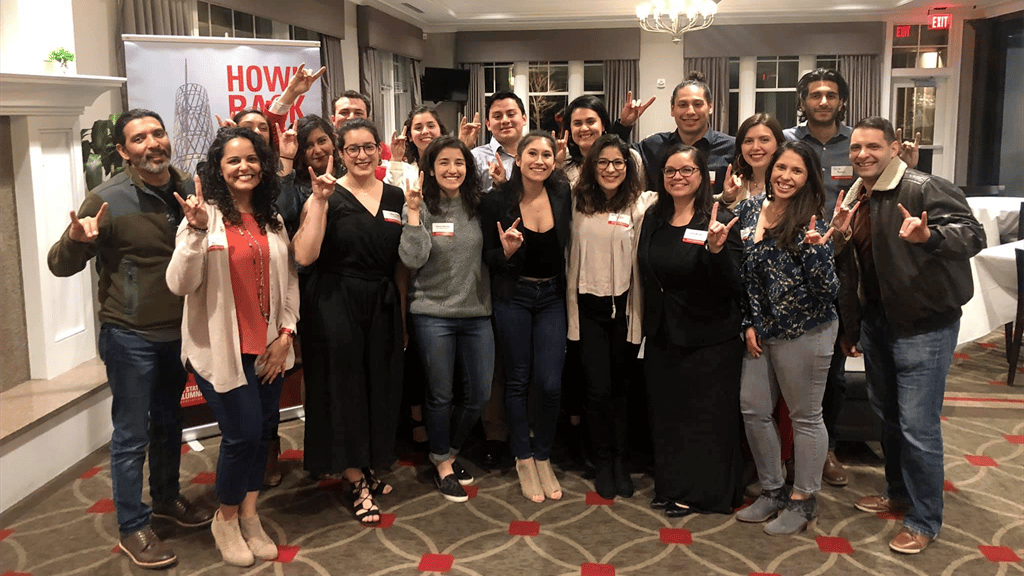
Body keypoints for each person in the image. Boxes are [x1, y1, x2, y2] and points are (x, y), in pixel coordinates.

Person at [47, 109, 213, 569]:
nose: (152, 143)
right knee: (131, 434)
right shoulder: (106, 198)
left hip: (179, 333)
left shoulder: (190, 187)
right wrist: (78, 240)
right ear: (122, 150)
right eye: (139, 139)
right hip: (130, 335)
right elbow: (59, 264)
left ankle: (166, 499)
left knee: (169, 423)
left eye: (158, 133)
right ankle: (132, 526)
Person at [838, 117, 984, 553]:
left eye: (873, 147)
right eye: (856, 147)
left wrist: (929, 237)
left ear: (894, 148)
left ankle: (924, 519)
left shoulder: (923, 187)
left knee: (918, 427)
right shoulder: (857, 194)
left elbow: (972, 235)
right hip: (878, 322)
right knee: (889, 419)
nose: (862, 154)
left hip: (924, 325)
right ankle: (898, 493)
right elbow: (860, 266)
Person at [165, 127, 298, 566]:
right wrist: (196, 232)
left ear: (263, 165)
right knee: (241, 435)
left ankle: (249, 514)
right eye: (233, 160)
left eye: (252, 158)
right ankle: (225, 518)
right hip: (223, 350)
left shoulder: (271, 218)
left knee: (262, 433)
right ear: (218, 169)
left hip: (270, 347)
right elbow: (179, 283)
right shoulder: (204, 217)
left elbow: (289, 281)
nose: (245, 167)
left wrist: (286, 334)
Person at [292, 118, 405, 526]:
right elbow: (304, 255)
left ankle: (367, 462)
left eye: (368, 147)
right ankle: (354, 476)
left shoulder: (395, 196)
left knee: (377, 386)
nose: (361, 155)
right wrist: (319, 202)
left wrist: (402, 315)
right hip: (334, 301)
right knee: (344, 390)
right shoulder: (325, 193)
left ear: (379, 150)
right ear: (340, 154)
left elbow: (401, 262)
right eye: (352, 148)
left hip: (382, 302)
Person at [733, 141, 841, 535]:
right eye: (781, 167)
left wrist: (816, 252)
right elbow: (745, 276)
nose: (786, 176)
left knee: (805, 416)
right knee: (754, 409)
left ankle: (803, 500)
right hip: (761, 331)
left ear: (809, 178)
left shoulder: (813, 220)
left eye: (797, 171)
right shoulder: (750, 209)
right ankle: (773, 489)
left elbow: (828, 291)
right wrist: (748, 322)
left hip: (805, 331)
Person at [636, 143, 745, 518]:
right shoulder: (654, 217)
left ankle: (704, 493)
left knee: (705, 419)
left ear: (703, 177)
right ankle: (671, 486)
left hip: (709, 337)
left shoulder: (718, 220)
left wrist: (716, 251)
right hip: (663, 334)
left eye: (687, 170)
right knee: (668, 415)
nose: (677, 177)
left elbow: (735, 284)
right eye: (670, 171)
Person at [398, 135, 493, 502]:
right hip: (432, 313)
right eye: (444, 163)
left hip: (476, 312)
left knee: (480, 393)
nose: (452, 169)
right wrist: (413, 213)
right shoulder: (421, 205)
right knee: (440, 394)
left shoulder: (478, 206)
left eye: (459, 162)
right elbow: (412, 259)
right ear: (431, 168)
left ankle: (448, 452)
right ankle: (442, 462)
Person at [480, 131, 572, 503]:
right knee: (517, 380)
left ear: (554, 160)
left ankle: (543, 455)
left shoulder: (562, 194)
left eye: (546, 154)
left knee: (550, 383)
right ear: (517, 159)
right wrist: (504, 252)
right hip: (513, 297)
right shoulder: (497, 199)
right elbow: (486, 256)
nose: (539, 160)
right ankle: (523, 457)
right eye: (531, 153)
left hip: (552, 297)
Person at [565, 134, 656, 499]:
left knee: (622, 389)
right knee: (597, 390)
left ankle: (620, 461)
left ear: (628, 167)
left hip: (625, 311)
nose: (611, 169)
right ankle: (602, 461)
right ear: (592, 166)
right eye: (603, 162)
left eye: (618, 162)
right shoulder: (575, 200)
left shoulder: (639, 203)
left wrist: (725, 198)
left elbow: (681, 198)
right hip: (588, 309)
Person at [615, 72, 734, 194]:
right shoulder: (654, 146)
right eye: (683, 105)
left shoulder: (731, 147)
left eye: (697, 104)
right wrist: (624, 125)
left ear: (710, 107)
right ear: (672, 109)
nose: (690, 111)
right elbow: (613, 154)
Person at [718, 114, 785, 210]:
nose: (755, 147)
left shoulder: (787, 184)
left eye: (764, 140)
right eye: (748, 141)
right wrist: (727, 199)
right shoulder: (736, 184)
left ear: (779, 144)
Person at [330, 90, 392, 180]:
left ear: (367, 119)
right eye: (344, 113)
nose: (351, 117)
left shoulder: (386, 153)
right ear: (333, 119)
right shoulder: (324, 152)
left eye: (358, 113)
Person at [471, 91, 527, 192]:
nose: (505, 120)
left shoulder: (537, 155)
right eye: (497, 116)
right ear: (488, 124)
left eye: (511, 114)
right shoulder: (476, 158)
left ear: (524, 118)